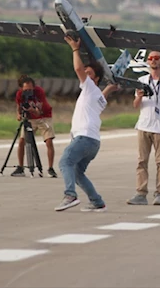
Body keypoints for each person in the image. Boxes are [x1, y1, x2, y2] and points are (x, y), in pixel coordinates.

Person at [55, 35, 120, 212]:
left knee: (65, 162)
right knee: (77, 173)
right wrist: (111, 87)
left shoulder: (89, 87)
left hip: (84, 138)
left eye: (89, 73)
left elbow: (77, 68)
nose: (85, 74)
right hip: (93, 142)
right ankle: (97, 202)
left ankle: (70, 195)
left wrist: (75, 49)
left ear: (96, 79)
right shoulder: (98, 97)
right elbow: (104, 96)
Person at [127, 50, 160, 206]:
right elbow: (135, 106)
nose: (153, 61)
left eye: (157, 58)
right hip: (143, 125)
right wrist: (139, 96)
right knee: (141, 161)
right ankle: (141, 193)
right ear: (147, 62)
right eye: (151, 58)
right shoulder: (142, 80)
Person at [13, 75, 57, 177]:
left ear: (34, 87)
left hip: (44, 117)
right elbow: (18, 107)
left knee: (49, 141)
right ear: (22, 88)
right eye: (26, 89)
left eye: (30, 89)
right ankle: (20, 167)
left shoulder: (39, 92)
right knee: (22, 141)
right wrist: (19, 114)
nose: (28, 91)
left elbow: (39, 111)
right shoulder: (19, 94)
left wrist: (32, 110)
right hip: (30, 119)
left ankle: (50, 168)